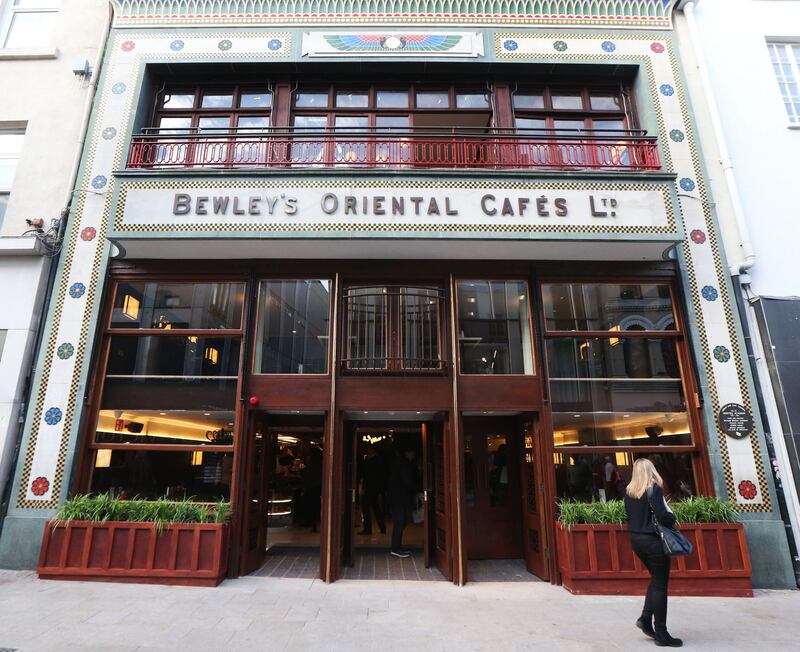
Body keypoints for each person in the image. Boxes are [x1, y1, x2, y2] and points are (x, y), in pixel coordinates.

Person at [624, 458, 682, 648]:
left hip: (636, 540)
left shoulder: (629, 491)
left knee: (656, 579)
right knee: (660, 585)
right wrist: (672, 517)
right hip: (653, 541)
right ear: (651, 470)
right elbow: (662, 516)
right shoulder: (653, 489)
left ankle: (646, 618)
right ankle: (661, 632)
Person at [387, 447, 419, 558]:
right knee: (400, 522)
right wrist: (418, 489)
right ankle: (395, 548)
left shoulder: (399, 462)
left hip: (397, 497)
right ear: (407, 452)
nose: (413, 456)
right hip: (398, 498)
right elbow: (407, 480)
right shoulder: (402, 463)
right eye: (412, 453)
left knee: (401, 522)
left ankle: (397, 547)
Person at [358, 445, 386, 535]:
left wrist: (364, 487)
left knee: (366, 508)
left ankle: (368, 528)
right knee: (375, 507)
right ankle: (382, 527)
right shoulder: (378, 460)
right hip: (374, 488)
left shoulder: (371, 461)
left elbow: (368, 476)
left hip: (370, 488)